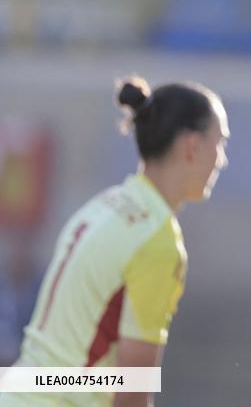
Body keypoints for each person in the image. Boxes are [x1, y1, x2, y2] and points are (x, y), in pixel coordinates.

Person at [0, 77, 229, 407]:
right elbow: (132, 392)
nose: (221, 160)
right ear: (192, 146)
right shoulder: (157, 241)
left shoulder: (103, 206)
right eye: (219, 143)